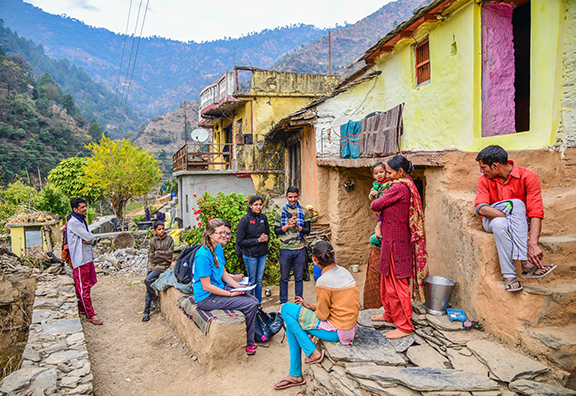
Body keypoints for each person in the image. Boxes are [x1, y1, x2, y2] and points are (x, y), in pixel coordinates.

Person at [273, 241, 360, 390]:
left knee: (287, 309)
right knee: (291, 327)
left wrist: (312, 312)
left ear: (314, 260)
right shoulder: (344, 271)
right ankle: (295, 374)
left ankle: (311, 353)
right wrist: (311, 307)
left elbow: (324, 316)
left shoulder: (323, 281)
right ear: (333, 255)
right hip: (349, 326)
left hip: (336, 331)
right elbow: (337, 304)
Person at [474, 145, 554, 292]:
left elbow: (536, 211)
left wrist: (533, 243)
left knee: (500, 224)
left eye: (483, 167)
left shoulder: (528, 176)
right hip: (491, 219)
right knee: (516, 205)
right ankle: (525, 262)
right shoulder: (484, 180)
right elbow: (482, 208)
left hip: (511, 223)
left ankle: (510, 277)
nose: (481, 171)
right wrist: (512, 215)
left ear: (495, 165)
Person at [370, 155, 428, 339]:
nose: (385, 175)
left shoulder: (400, 187)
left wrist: (377, 195)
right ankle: (390, 314)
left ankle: (404, 325)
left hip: (397, 241)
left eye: (389, 172)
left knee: (398, 283)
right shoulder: (403, 184)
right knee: (387, 279)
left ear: (400, 172)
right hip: (390, 238)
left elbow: (375, 204)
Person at [193, 219, 259, 355]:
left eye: (225, 232)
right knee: (251, 303)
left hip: (218, 289)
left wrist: (239, 287)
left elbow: (222, 272)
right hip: (206, 298)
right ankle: (247, 341)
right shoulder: (202, 255)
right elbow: (206, 286)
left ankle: (250, 337)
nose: (224, 235)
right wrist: (229, 294)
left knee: (251, 299)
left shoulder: (218, 248)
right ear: (210, 234)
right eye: (220, 233)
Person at [67, 198, 103, 325]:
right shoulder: (74, 222)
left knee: (84, 284)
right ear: (75, 209)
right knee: (84, 288)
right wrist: (88, 239)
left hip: (86, 258)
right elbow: (89, 237)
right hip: (80, 259)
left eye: (84, 206)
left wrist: (87, 239)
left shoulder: (80, 220)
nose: (85, 209)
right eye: (82, 207)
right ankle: (90, 315)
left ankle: (82, 309)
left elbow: (88, 239)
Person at [274, 186, 311, 304]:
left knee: (299, 278)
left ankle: (298, 301)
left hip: (300, 249)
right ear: (286, 197)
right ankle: (283, 302)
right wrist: (287, 226)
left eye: (295, 197)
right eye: (290, 197)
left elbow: (307, 230)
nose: (293, 199)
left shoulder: (304, 211)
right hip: (285, 249)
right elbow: (276, 231)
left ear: (298, 196)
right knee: (284, 278)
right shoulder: (279, 212)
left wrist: (297, 227)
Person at [236, 195, 270, 304]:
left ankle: (258, 305)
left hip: (262, 254)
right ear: (250, 206)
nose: (258, 207)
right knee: (252, 281)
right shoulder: (245, 220)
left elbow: (268, 233)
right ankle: (251, 304)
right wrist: (257, 241)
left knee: (259, 281)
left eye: (260, 204)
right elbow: (240, 241)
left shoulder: (263, 218)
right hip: (250, 256)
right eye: (256, 204)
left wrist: (267, 238)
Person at [143, 221, 174, 322]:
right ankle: (150, 304)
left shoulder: (169, 239)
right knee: (148, 284)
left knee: (147, 280)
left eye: (163, 229)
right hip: (152, 265)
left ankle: (147, 310)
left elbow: (170, 254)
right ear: (155, 230)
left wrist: (157, 253)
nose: (161, 231)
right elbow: (151, 257)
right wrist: (163, 256)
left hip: (162, 266)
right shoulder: (153, 240)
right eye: (159, 229)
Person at [369, 162, 390, 239]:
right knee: (381, 216)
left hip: (388, 204)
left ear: (386, 172)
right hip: (380, 206)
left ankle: (378, 227)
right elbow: (370, 194)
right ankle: (379, 228)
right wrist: (372, 194)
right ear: (373, 176)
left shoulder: (389, 182)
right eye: (376, 173)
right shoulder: (376, 185)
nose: (379, 175)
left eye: (381, 172)